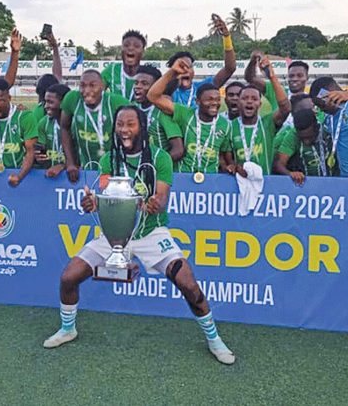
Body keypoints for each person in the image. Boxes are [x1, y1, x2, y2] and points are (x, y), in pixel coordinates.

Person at [42, 106, 235, 365]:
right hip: (114, 236)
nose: (123, 129)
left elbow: (162, 197)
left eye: (130, 124)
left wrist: (155, 203)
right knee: (68, 277)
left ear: (141, 127)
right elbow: (103, 198)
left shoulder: (160, 158)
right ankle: (68, 329)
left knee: (188, 284)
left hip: (150, 232)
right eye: (120, 124)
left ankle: (214, 339)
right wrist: (90, 203)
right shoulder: (109, 160)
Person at [147, 59, 234, 175]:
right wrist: (172, 72)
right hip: (182, 180)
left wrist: (229, 166)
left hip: (210, 182)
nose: (214, 103)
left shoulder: (225, 124)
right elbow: (153, 96)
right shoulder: (185, 113)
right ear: (197, 101)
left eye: (218, 99)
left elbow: (222, 156)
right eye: (209, 99)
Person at [59, 70, 131, 183]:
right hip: (86, 168)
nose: (87, 90)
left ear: (102, 86)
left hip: (115, 170)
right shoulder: (72, 99)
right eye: (82, 85)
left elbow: (137, 125)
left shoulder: (116, 102)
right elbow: (64, 127)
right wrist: (70, 162)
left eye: (92, 85)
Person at [228, 56, 291, 174]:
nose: (249, 101)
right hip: (239, 185)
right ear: (238, 102)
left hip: (265, 186)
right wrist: (234, 166)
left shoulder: (267, 123)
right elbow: (227, 158)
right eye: (245, 98)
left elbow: (286, 108)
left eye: (254, 99)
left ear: (260, 104)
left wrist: (272, 77)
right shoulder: (230, 127)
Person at [166, 15, 236, 108]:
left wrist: (226, 37)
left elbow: (229, 69)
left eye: (189, 67)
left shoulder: (202, 88)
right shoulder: (166, 91)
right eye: (181, 67)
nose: (185, 70)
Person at [132, 64, 184, 164]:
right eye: (136, 83)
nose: (138, 86)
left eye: (144, 83)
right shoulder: (131, 108)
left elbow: (178, 150)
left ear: (156, 87)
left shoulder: (163, 111)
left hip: (157, 171)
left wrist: (154, 163)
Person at [273, 108, 338, 184]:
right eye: (302, 138)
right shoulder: (293, 135)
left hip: (335, 181)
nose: (306, 141)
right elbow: (279, 164)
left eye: (309, 137)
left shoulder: (328, 130)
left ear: (316, 127)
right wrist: (290, 173)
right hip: (306, 184)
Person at [245, 54, 309, 123]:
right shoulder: (277, 91)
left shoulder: (311, 100)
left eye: (300, 76)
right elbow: (250, 78)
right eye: (291, 76)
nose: (295, 79)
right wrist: (253, 61)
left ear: (307, 78)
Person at [30, 27, 64, 127]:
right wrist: (55, 48)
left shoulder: (38, 111)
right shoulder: (63, 106)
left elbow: (57, 74)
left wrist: (55, 48)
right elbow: (57, 75)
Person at [101, 30, 147, 100]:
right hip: (116, 111)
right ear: (121, 49)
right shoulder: (111, 70)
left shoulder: (147, 75)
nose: (131, 48)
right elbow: (95, 93)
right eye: (126, 45)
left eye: (136, 46)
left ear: (143, 52)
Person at [36, 83, 71, 178]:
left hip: (74, 177)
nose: (45, 106)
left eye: (50, 102)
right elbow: (40, 150)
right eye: (45, 102)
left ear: (64, 103)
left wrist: (62, 166)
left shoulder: (76, 125)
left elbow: (82, 159)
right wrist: (36, 157)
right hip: (50, 177)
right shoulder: (44, 123)